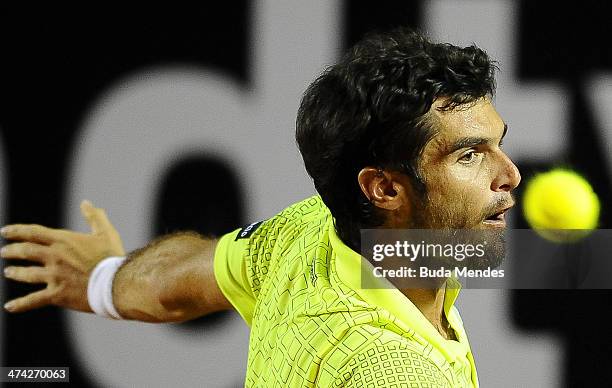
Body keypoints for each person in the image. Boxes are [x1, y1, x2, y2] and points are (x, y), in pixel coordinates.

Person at [1, 27, 520, 387]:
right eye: (469, 155)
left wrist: (103, 279)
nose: (510, 174)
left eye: (498, 142)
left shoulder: (307, 234)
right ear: (384, 190)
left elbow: (177, 282)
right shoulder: (387, 371)